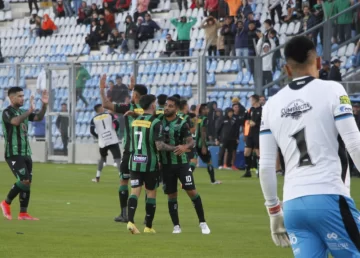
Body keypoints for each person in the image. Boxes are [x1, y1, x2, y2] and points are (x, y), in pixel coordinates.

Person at [259, 35, 360, 256]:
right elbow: (354, 143)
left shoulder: (271, 105)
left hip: (293, 205)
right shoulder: (333, 90)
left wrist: (274, 212)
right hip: (329, 196)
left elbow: (266, 165)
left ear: (286, 69)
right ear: (318, 62)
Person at [99, 75, 147, 223]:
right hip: (145, 152)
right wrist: (133, 89)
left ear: (135, 95)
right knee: (147, 186)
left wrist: (102, 89)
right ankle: (147, 217)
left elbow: (106, 105)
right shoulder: (150, 110)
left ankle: (124, 214)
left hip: (128, 151)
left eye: (132, 93)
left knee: (123, 181)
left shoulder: (130, 108)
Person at [126, 94, 176, 234]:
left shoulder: (134, 121)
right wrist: (174, 148)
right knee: (151, 193)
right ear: (153, 105)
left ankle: (130, 221)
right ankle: (148, 226)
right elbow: (159, 146)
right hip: (150, 162)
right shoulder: (155, 122)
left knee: (135, 190)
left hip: (135, 160)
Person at [160, 97, 211, 234]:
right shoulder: (158, 120)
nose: (167, 108)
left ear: (176, 109)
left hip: (181, 163)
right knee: (171, 195)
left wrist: (184, 146)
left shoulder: (182, 123)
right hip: (166, 164)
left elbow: (191, 142)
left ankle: (202, 222)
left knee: (192, 191)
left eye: (170, 106)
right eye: (166, 105)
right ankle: (176, 226)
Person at [0, 87, 48, 221]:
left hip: (26, 152)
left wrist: (44, 105)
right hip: (13, 152)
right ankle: (6, 202)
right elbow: (15, 122)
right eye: (20, 96)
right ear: (12, 98)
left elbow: (38, 117)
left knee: (27, 183)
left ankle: (23, 213)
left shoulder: (22, 112)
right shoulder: (7, 112)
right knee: (24, 180)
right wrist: (29, 111)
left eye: (23, 96)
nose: (23, 98)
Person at [90, 104, 121, 183]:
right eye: (102, 107)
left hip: (103, 141)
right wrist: (115, 132)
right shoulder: (109, 115)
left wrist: (98, 137)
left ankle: (97, 177)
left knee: (102, 158)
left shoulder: (94, 119)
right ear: (100, 109)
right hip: (112, 139)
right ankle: (122, 177)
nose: (103, 108)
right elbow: (117, 124)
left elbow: (92, 131)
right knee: (117, 159)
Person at [196, 104, 221, 184]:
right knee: (209, 162)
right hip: (201, 143)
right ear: (202, 110)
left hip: (195, 143)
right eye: (206, 109)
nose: (208, 110)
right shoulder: (205, 119)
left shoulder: (198, 119)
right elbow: (203, 132)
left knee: (192, 162)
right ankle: (213, 181)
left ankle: (185, 180)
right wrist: (203, 145)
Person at [242, 95, 262, 177]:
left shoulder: (262, 110)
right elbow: (246, 119)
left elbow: (264, 121)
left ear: (256, 100)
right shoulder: (251, 109)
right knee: (246, 152)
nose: (250, 101)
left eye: (251, 100)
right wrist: (249, 121)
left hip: (258, 133)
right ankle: (247, 171)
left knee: (258, 152)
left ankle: (259, 171)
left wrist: (256, 124)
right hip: (250, 133)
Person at [178, 99, 196, 172]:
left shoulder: (175, 115)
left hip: (175, 142)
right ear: (185, 106)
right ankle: (186, 178)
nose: (188, 106)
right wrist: (195, 124)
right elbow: (191, 131)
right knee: (193, 160)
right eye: (187, 105)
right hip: (185, 142)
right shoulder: (186, 117)